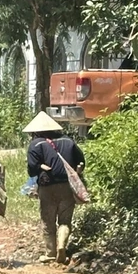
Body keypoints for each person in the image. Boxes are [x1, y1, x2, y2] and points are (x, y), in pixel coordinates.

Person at [24, 111, 85, 264]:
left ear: (36, 131)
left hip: (47, 187)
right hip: (67, 185)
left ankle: (50, 253)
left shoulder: (35, 144)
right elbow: (81, 162)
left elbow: (32, 168)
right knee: (65, 220)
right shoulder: (68, 141)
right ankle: (62, 246)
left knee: (48, 220)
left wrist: (40, 170)